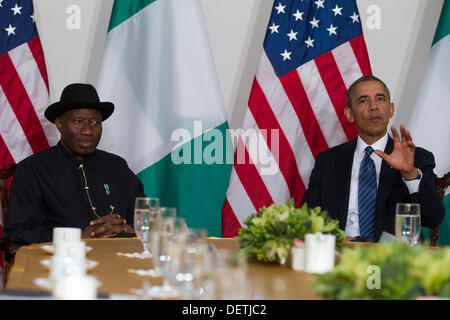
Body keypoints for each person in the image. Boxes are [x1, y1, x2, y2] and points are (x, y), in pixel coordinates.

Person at [302, 75, 445, 242]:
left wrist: (410, 174)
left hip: (392, 258)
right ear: (349, 114)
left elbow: (433, 218)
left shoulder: (417, 158)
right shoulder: (328, 161)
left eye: (380, 99)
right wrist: (335, 239)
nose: (374, 107)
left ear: (391, 109)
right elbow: (309, 216)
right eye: (363, 101)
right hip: (339, 252)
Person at [4, 83, 146, 244]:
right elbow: (18, 230)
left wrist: (131, 230)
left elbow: (144, 217)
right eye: (78, 121)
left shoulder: (117, 166)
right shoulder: (33, 169)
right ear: (59, 124)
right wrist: (77, 238)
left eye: (95, 123)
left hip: (122, 260)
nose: (88, 131)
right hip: (64, 262)